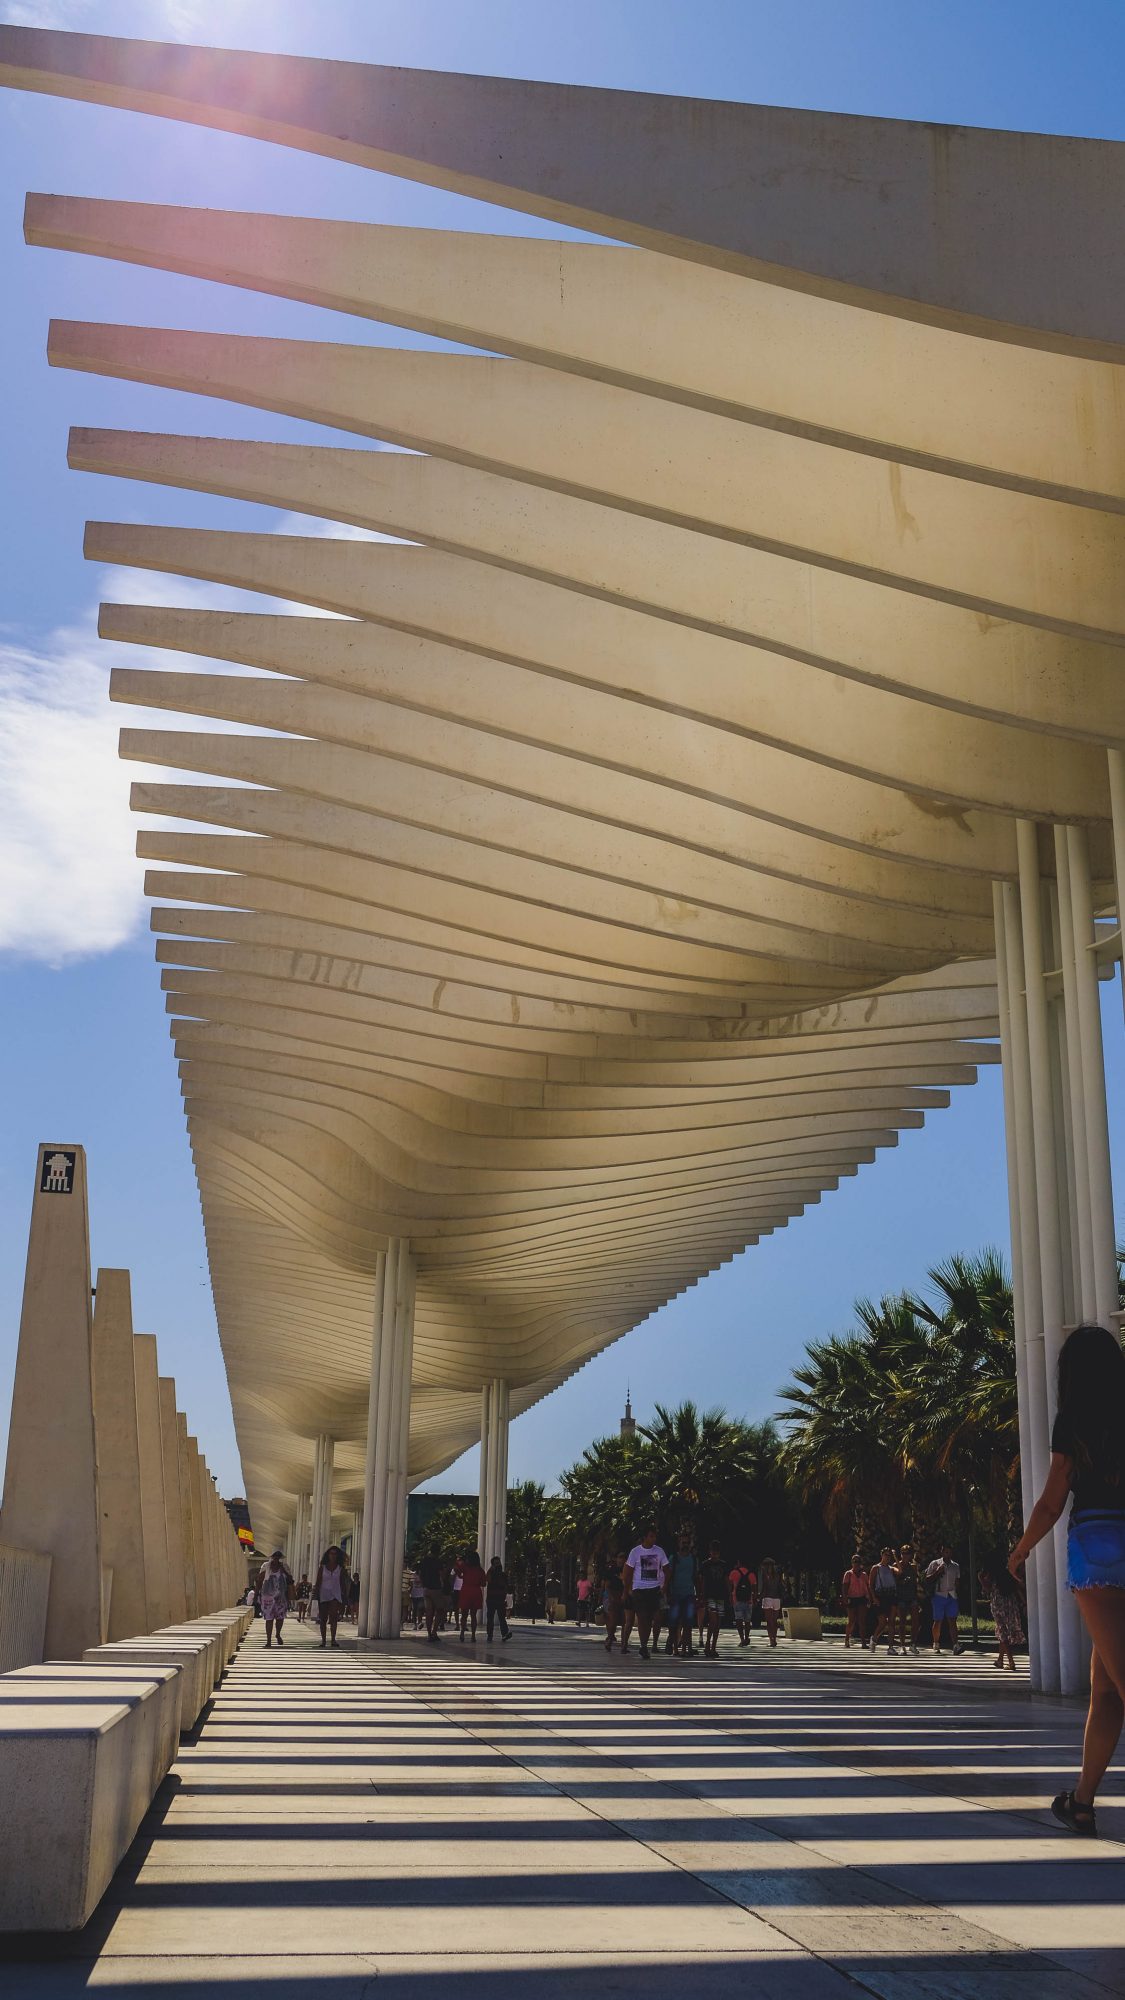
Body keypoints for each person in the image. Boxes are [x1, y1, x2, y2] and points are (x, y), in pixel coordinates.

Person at [1010, 1324, 1125, 1835]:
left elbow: (1052, 1501)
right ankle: (1081, 1801)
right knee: (1106, 1687)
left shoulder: (1073, 1419)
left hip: (1097, 1550)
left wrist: (1021, 1549)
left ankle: (1081, 1801)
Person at [623, 1528, 670, 1660]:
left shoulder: (659, 1551)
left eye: (654, 1536)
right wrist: (626, 1591)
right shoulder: (635, 1552)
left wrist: (665, 1587)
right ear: (645, 1537)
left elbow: (667, 1570)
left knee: (656, 1617)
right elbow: (628, 1572)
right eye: (651, 1536)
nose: (653, 1539)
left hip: (655, 1589)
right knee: (643, 1618)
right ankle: (643, 1646)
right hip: (639, 1589)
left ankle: (647, 1644)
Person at [979, 1561, 1024, 1672]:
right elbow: (1017, 1586)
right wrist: (1024, 1602)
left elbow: (987, 1589)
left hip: (998, 1604)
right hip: (1010, 1603)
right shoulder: (1009, 1571)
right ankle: (1000, 1660)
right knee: (1003, 1631)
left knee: (1002, 1632)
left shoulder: (992, 1575)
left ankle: (1011, 1661)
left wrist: (980, 1579)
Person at [666, 1532, 699, 1656]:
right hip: (676, 1594)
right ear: (679, 1544)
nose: (685, 1545)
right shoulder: (673, 1558)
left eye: (687, 1543)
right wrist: (667, 1593)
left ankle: (685, 1649)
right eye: (683, 1542)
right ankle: (675, 1648)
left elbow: (696, 1578)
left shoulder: (694, 1559)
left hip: (689, 1594)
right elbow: (668, 1577)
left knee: (688, 1623)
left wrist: (699, 1594)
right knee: (673, 1623)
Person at [925, 1545, 962, 1654]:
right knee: (938, 1620)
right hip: (939, 1595)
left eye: (949, 1552)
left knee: (952, 1620)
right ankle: (936, 1643)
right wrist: (937, 1571)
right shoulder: (935, 1563)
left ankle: (955, 1645)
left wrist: (957, 1590)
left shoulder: (955, 1566)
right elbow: (927, 1579)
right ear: (942, 1552)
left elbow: (957, 1580)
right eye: (946, 1552)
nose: (947, 1554)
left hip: (951, 1595)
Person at [312, 1544, 347, 1648]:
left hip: (335, 1595)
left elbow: (342, 1583)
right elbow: (318, 1582)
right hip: (323, 1595)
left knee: (333, 1617)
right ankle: (323, 1640)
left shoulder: (340, 1569)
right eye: (331, 1553)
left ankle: (333, 1639)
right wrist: (315, 1595)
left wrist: (344, 1597)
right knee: (323, 1618)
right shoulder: (322, 1568)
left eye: (335, 1554)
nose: (333, 1556)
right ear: (328, 1555)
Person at [258, 1550, 293, 1648]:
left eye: (278, 1556)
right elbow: (260, 1580)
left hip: (281, 1597)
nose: (276, 1558)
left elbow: (290, 1580)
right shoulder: (266, 1566)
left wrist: (284, 1571)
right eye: (275, 1556)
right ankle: (268, 1640)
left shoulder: (284, 1566)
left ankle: (278, 1634)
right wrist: (257, 1594)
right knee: (269, 1619)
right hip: (267, 1597)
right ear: (272, 1557)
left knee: (280, 1618)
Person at [700, 1541, 728, 1657]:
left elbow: (726, 1580)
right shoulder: (705, 1564)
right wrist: (702, 1595)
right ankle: (707, 1644)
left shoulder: (723, 1564)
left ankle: (713, 1647)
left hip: (721, 1596)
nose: (715, 1554)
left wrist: (729, 1594)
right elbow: (702, 1580)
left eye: (717, 1552)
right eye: (713, 1552)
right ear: (710, 1552)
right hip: (710, 1595)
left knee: (718, 1622)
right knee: (713, 1620)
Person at [869, 1548, 899, 1653]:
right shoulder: (876, 1568)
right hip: (880, 1596)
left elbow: (900, 1572)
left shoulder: (891, 1568)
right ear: (882, 1555)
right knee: (882, 1622)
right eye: (886, 1555)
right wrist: (874, 1598)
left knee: (891, 1622)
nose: (887, 1557)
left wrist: (895, 1557)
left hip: (891, 1596)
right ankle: (874, 1638)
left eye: (889, 1555)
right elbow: (870, 1584)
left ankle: (890, 1647)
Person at [418, 1550, 451, 1642]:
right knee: (440, 1610)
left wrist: (423, 1584)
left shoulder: (424, 1561)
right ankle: (434, 1631)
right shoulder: (437, 1561)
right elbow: (442, 1575)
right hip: (435, 1588)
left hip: (426, 1589)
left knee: (429, 1612)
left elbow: (420, 1573)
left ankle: (429, 1634)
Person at [893, 1545, 921, 1655]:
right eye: (903, 1553)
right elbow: (894, 1581)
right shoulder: (896, 1565)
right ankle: (902, 1646)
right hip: (901, 1597)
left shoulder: (913, 1566)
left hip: (912, 1596)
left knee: (916, 1621)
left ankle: (913, 1644)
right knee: (902, 1622)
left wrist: (917, 1595)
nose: (905, 1555)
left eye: (907, 1553)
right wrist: (902, 1582)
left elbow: (915, 1582)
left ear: (910, 1555)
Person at [841, 1555, 871, 1649]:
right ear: (852, 1563)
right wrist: (845, 1598)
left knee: (862, 1621)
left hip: (862, 1598)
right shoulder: (848, 1574)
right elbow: (845, 1587)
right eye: (854, 1561)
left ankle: (863, 1642)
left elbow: (867, 1587)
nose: (856, 1564)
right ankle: (847, 1639)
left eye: (858, 1561)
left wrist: (869, 1598)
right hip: (852, 1598)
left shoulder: (864, 1575)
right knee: (851, 1621)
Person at [458, 1549, 488, 1642]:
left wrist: (462, 1576)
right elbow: (484, 1584)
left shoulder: (465, 1567)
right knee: (473, 1615)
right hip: (476, 1592)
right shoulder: (480, 1570)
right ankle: (473, 1635)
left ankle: (462, 1633)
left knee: (464, 1615)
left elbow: (457, 1570)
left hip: (466, 1591)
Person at [728, 1556, 756, 1646]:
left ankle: (742, 1639)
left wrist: (730, 1597)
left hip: (737, 1599)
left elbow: (730, 1586)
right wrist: (754, 1599)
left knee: (738, 1619)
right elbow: (754, 1589)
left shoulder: (734, 1572)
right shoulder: (751, 1574)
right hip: (749, 1600)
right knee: (747, 1621)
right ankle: (747, 1637)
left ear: (739, 1563)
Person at [602, 1551, 626, 1652]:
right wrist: (611, 1597)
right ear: (616, 1559)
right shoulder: (611, 1570)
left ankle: (624, 1644)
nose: (622, 1560)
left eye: (624, 1558)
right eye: (620, 1557)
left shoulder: (628, 1570)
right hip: (613, 1595)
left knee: (625, 1621)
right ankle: (610, 1639)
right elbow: (607, 1586)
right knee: (613, 1620)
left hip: (625, 1595)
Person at [485, 1556, 512, 1642]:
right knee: (490, 1618)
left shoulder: (503, 1575)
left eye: (499, 1563)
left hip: (500, 1599)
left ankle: (504, 1634)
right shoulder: (491, 1574)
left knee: (502, 1618)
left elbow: (507, 1586)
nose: (499, 1565)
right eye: (496, 1563)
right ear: (492, 1565)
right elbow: (487, 1579)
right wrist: (491, 1570)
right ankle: (490, 1635)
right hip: (491, 1599)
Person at [758, 1556, 783, 1648]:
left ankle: (771, 1641)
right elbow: (780, 1586)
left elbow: (764, 1588)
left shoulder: (764, 1574)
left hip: (767, 1598)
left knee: (769, 1621)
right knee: (774, 1621)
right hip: (777, 1599)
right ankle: (774, 1639)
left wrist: (759, 1597)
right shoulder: (777, 1575)